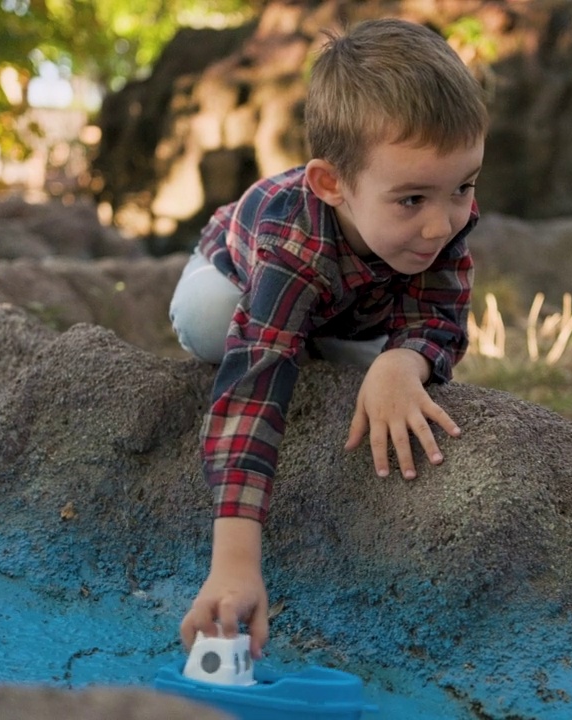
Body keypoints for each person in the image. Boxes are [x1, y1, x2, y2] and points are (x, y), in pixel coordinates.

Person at [171, 17, 488, 659]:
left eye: (463, 186)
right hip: (243, 279)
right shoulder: (294, 239)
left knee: (390, 377)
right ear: (331, 183)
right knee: (213, 320)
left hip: (353, 307)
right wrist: (235, 562)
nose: (441, 224)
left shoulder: (440, 212)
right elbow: (252, 392)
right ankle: (303, 337)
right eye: (411, 200)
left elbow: (442, 317)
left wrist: (406, 359)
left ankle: (340, 349)